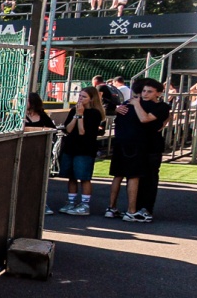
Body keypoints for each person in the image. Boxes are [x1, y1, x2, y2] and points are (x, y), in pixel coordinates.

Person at [104, 75, 169, 222]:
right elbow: (145, 119)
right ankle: (132, 210)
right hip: (136, 146)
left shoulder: (134, 105)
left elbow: (151, 118)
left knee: (130, 176)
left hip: (142, 146)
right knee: (133, 176)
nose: (145, 94)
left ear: (158, 93)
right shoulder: (130, 105)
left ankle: (119, 208)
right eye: (144, 91)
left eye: (149, 91)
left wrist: (164, 121)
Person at [56, 86, 103, 216]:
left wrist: (81, 116)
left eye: (84, 97)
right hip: (71, 146)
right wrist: (76, 115)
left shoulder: (95, 113)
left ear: (91, 99)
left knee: (83, 177)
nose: (80, 99)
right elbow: (68, 129)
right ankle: (71, 202)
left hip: (85, 149)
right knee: (71, 176)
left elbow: (82, 131)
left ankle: (85, 204)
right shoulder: (73, 110)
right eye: (80, 96)